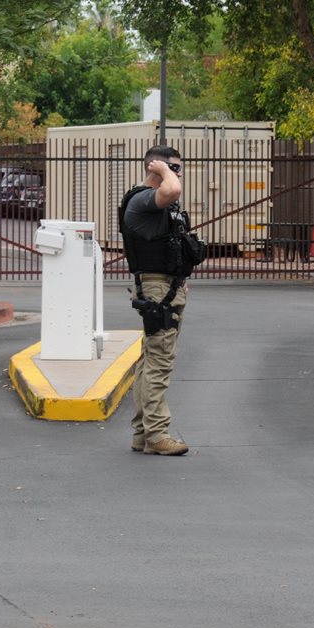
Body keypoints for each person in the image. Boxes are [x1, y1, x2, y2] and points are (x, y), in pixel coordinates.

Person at [119, 145, 198, 456]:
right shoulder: (142, 199)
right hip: (156, 290)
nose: (178, 174)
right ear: (154, 167)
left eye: (178, 168)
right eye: (172, 167)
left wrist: (180, 278)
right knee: (160, 363)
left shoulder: (157, 203)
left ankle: (142, 433)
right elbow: (174, 189)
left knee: (149, 361)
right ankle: (157, 434)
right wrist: (166, 173)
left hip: (166, 286)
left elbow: (171, 244)